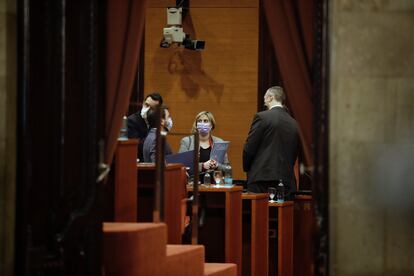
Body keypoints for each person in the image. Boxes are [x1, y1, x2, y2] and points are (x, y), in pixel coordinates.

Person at [243, 86, 300, 198]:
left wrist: (248, 168)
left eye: (265, 98)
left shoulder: (262, 117)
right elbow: (294, 153)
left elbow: (250, 147)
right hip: (286, 180)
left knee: (258, 214)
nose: (264, 101)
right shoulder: (294, 124)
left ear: (270, 97)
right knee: (282, 215)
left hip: (261, 179)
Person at [178, 111, 229, 183]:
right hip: (192, 185)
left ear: (211, 125)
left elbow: (227, 168)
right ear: (196, 125)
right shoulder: (187, 141)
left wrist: (217, 165)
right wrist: (202, 166)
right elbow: (181, 166)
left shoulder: (219, 142)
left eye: (205, 121)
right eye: (199, 121)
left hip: (215, 185)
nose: (202, 123)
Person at [127, 92, 163, 161]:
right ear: (143, 103)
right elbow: (137, 146)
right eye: (146, 105)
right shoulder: (131, 121)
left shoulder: (155, 122)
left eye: (152, 108)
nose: (147, 109)